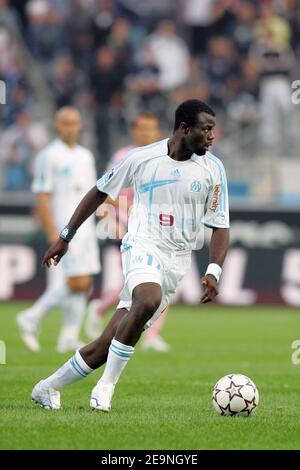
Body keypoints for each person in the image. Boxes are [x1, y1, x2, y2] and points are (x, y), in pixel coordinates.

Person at [31, 99, 230, 412]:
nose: (211, 136)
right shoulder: (141, 158)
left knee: (106, 343)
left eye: (212, 130)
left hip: (177, 260)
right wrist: (65, 237)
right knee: (147, 299)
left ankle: (46, 387)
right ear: (183, 128)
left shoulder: (213, 169)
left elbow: (220, 226)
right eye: (205, 129)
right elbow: (99, 191)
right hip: (142, 243)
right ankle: (106, 386)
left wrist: (214, 269)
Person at [17, 107, 100, 353]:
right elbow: (42, 196)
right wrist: (53, 232)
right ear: (57, 125)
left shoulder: (86, 156)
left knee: (85, 283)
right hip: (66, 228)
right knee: (78, 280)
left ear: (80, 126)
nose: (70, 127)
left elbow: (94, 192)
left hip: (86, 227)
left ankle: (68, 335)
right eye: (65, 123)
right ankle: (31, 316)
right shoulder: (48, 156)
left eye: (74, 123)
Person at [86, 112, 171, 352]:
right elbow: (105, 191)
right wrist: (120, 214)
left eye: (151, 128)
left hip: (157, 229)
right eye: (142, 128)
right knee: (136, 284)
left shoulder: (165, 157)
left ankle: (152, 334)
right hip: (127, 227)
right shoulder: (123, 156)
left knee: (161, 281)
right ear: (134, 130)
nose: (147, 133)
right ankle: (102, 308)